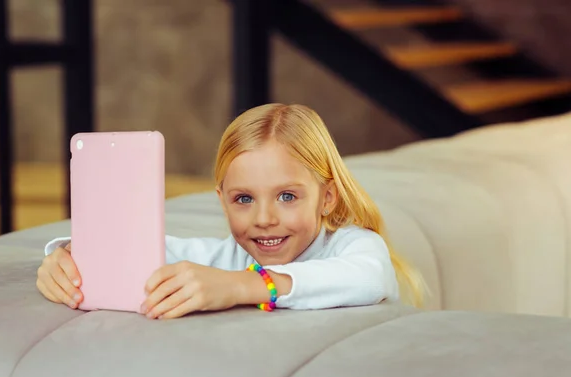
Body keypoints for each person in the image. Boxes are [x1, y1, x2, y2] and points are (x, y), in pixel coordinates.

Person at [36, 103, 426, 319]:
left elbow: (370, 278)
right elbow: (143, 252)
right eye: (244, 199)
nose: (263, 218)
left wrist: (240, 286)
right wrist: (67, 257)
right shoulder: (227, 257)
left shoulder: (353, 246)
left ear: (327, 198)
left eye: (287, 196)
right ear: (222, 199)